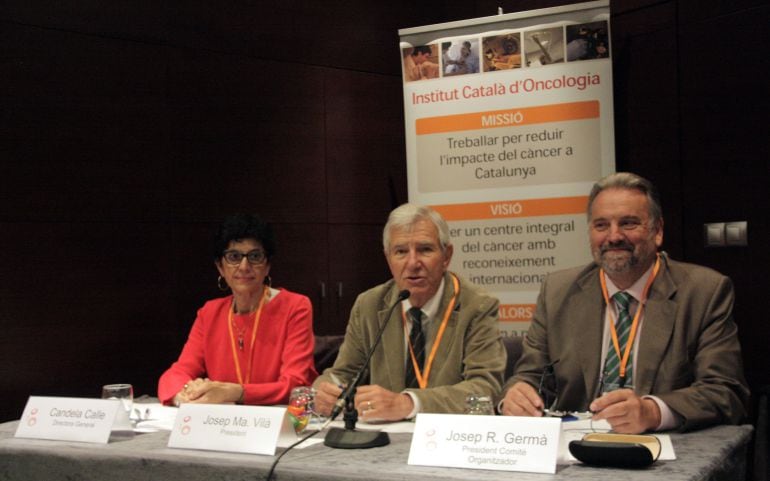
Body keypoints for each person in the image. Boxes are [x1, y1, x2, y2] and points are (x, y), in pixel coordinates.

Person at [499, 172, 749, 433]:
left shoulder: (703, 292)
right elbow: (530, 376)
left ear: (658, 231)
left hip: (663, 451)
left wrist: (653, 411)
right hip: (576, 449)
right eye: (601, 225)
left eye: (628, 223)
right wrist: (517, 396)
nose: (614, 236)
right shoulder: (558, 291)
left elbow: (726, 391)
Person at [314, 204, 506, 421]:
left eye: (425, 249)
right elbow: (341, 374)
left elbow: (484, 390)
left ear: (446, 256)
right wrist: (324, 390)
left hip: (447, 439)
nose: (413, 263)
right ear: (388, 258)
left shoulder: (476, 306)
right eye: (401, 251)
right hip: (383, 440)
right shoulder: (369, 305)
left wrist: (409, 404)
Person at [158, 213, 317, 406]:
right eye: (234, 257)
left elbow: (296, 384)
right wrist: (183, 396)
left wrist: (235, 392)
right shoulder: (209, 313)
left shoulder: (295, 307)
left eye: (255, 256)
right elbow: (175, 374)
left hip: (277, 423)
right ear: (220, 267)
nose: (244, 266)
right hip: (226, 424)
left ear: (267, 266)